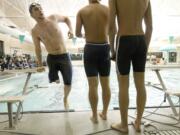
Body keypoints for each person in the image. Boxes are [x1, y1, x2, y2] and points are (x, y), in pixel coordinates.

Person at [109, 0, 153, 133]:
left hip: (124, 40)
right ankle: (138, 122)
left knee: (123, 85)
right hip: (140, 40)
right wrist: (144, 47)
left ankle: (123, 125)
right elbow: (150, 27)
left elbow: (111, 26)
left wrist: (112, 50)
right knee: (140, 84)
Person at [29, 3, 73, 110]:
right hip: (52, 58)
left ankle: (65, 98)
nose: (40, 10)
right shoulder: (35, 31)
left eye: (41, 8)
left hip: (64, 56)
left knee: (68, 82)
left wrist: (71, 30)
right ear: (32, 15)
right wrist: (39, 64)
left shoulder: (53, 18)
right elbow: (37, 48)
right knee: (54, 80)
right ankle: (55, 77)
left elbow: (67, 18)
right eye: (36, 9)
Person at [76, 0, 111, 123]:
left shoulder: (82, 11)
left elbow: (77, 33)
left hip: (90, 48)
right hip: (105, 47)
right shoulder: (108, 9)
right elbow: (113, 29)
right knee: (105, 84)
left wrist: (84, 35)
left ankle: (95, 116)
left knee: (92, 85)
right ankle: (105, 113)